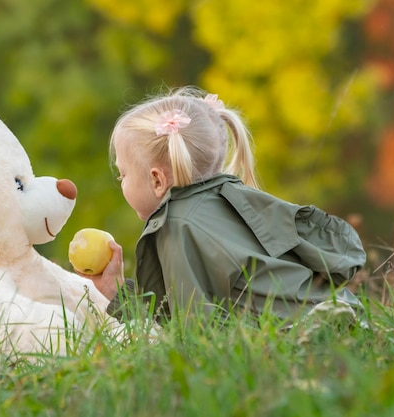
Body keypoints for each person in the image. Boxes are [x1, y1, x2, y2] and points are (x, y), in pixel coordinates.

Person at [89, 86, 365, 323]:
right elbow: (174, 313)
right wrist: (116, 293)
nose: (121, 181)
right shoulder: (232, 197)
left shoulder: (177, 224)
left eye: (122, 174)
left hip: (297, 335)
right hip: (343, 312)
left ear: (157, 180)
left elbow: (190, 329)